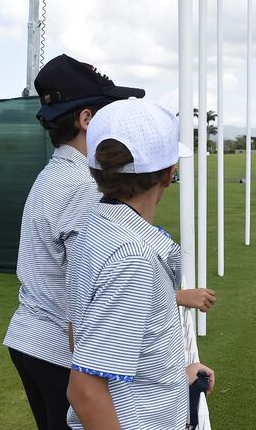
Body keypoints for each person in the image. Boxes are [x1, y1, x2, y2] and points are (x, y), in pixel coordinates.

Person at [3, 55, 216, 430]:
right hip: (54, 347)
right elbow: (106, 292)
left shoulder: (58, 176)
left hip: (36, 337)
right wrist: (174, 297)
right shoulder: (87, 193)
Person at [66, 98, 215, 429]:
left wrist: (174, 377)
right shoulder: (132, 258)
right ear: (168, 174)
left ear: (94, 170)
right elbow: (85, 390)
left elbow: (83, 340)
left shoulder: (92, 230)